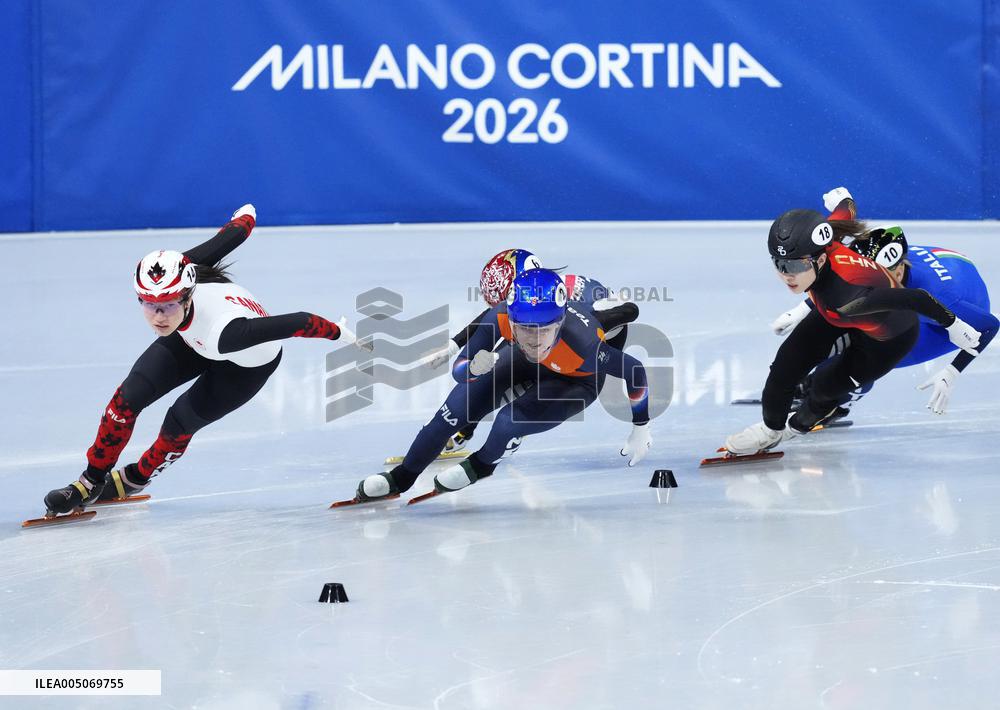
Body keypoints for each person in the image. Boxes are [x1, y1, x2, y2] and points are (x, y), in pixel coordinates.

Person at [42, 204, 368, 517]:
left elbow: (298, 320)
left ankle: (135, 478)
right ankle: (90, 482)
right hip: (190, 335)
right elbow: (228, 238)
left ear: (186, 294)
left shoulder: (224, 332)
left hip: (242, 364)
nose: (158, 316)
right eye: (148, 303)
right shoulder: (185, 269)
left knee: (177, 424)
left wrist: (338, 333)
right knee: (125, 401)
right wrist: (245, 217)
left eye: (167, 304)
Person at [352, 267, 651, 502]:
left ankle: (482, 465)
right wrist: (471, 368)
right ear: (512, 320)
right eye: (524, 330)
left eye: (544, 331)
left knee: (508, 421)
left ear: (560, 323)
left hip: (575, 380)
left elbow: (634, 370)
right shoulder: (502, 315)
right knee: (451, 412)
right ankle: (402, 477)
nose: (534, 340)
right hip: (524, 357)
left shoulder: (584, 345)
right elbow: (459, 371)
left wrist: (641, 427)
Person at [725, 206, 982, 455]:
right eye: (779, 264)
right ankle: (770, 431)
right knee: (784, 366)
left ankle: (793, 429)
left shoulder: (849, 296)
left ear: (821, 259)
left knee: (825, 387)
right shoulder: (825, 241)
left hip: (889, 339)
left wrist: (954, 325)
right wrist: (843, 201)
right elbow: (845, 211)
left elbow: (916, 298)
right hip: (839, 315)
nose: (786, 275)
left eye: (794, 267)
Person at [769, 188, 997, 415]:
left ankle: (837, 406)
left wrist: (953, 371)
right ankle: (810, 385)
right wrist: (801, 310)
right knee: (838, 324)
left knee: (867, 349)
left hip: (946, 321)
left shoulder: (944, 298)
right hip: (949, 265)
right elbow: (840, 281)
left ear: (897, 271)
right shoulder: (867, 269)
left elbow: (990, 325)